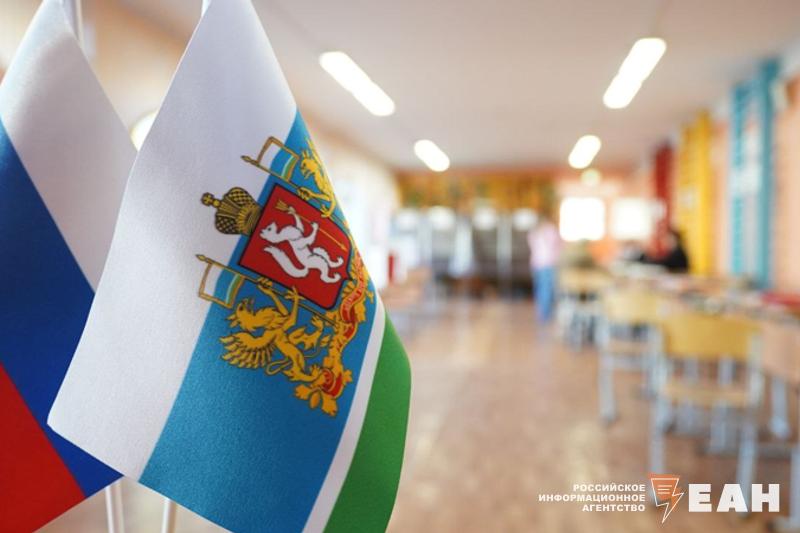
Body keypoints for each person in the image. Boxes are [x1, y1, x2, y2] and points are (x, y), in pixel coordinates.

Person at [528, 214, 561, 322]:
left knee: (540, 288)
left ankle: (541, 312)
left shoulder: (534, 232)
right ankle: (546, 314)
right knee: (547, 289)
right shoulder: (550, 230)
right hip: (548, 263)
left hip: (536, 263)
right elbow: (558, 245)